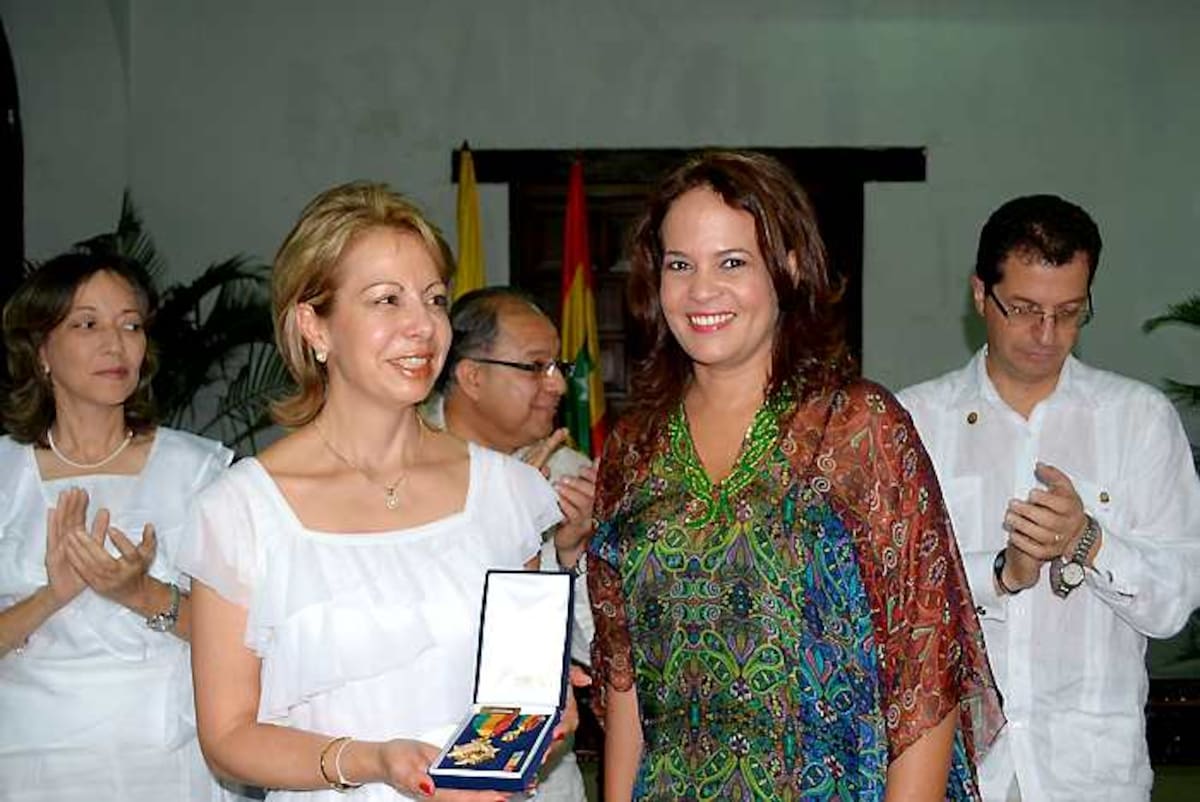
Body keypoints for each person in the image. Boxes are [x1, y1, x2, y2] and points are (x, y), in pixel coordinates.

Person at [586, 150, 1002, 802]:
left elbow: (924, 673)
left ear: (787, 268)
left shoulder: (857, 428)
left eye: (732, 262)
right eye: (679, 265)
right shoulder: (634, 448)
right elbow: (625, 676)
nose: (701, 290)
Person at [181, 182, 576, 802]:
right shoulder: (241, 510)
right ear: (314, 325)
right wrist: (370, 759)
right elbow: (228, 735)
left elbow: (519, 698)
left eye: (434, 299)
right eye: (387, 300)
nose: (423, 326)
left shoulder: (507, 492)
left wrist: (539, 715)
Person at [897, 194, 1200, 802]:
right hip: (954, 769)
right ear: (980, 294)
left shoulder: (1138, 419)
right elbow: (891, 598)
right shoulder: (915, 421)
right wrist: (1001, 574)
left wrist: (1089, 541)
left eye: (1068, 313)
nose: (1046, 334)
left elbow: (1174, 604)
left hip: (1091, 775)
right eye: (1024, 309)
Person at [0, 252, 235, 801]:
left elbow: (245, 637)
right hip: (29, 759)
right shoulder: (5, 473)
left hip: (165, 757)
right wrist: (53, 595)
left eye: (130, 325)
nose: (116, 344)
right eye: (87, 325)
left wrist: (139, 593)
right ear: (40, 352)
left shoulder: (199, 470)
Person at [424, 287, 598, 802]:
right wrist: (496, 523)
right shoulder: (400, 467)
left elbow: (596, 657)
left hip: (544, 780)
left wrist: (570, 554)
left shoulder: (570, 478)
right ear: (472, 376)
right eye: (536, 367)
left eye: (558, 366)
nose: (558, 384)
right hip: (420, 768)